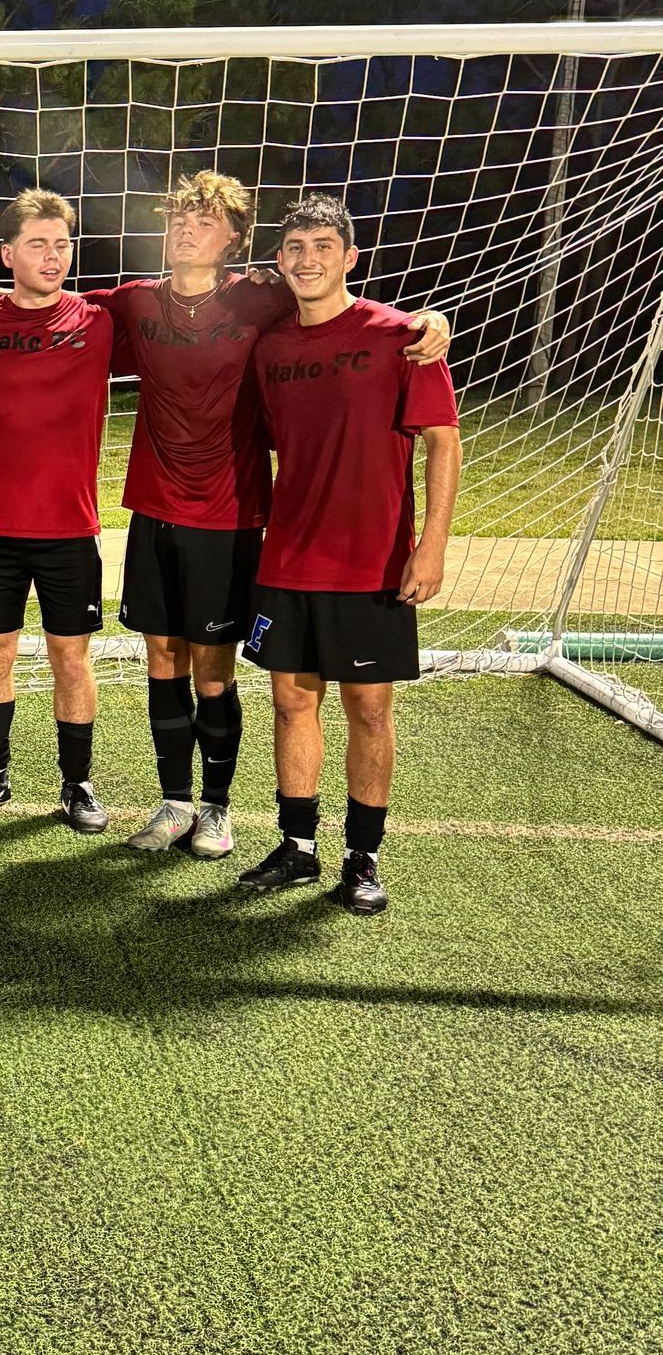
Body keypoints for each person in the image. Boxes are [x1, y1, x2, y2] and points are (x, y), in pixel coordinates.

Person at [92, 171, 450, 861]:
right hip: (158, 511)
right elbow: (61, 312)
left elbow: (355, 316)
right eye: (179, 219)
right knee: (162, 660)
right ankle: (177, 803)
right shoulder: (135, 302)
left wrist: (431, 320)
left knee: (218, 673)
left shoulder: (264, 299)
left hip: (233, 516)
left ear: (235, 240)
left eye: (205, 221)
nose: (187, 230)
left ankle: (222, 813)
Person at [236, 194, 462, 914]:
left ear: (350, 257)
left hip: (373, 562)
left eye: (322, 246)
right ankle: (297, 846)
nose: (307, 259)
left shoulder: (403, 337)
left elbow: (443, 444)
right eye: (295, 247)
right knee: (291, 700)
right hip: (288, 558)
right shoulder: (269, 350)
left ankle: (362, 857)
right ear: (280, 260)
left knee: (368, 708)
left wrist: (430, 548)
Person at [0, 189, 112, 833]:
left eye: (62, 243)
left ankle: (78, 784)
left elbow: (179, 295)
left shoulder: (98, 319)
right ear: (6, 253)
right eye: (37, 244)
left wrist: (255, 276)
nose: (53, 255)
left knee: (72, 656)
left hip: (70, 528)